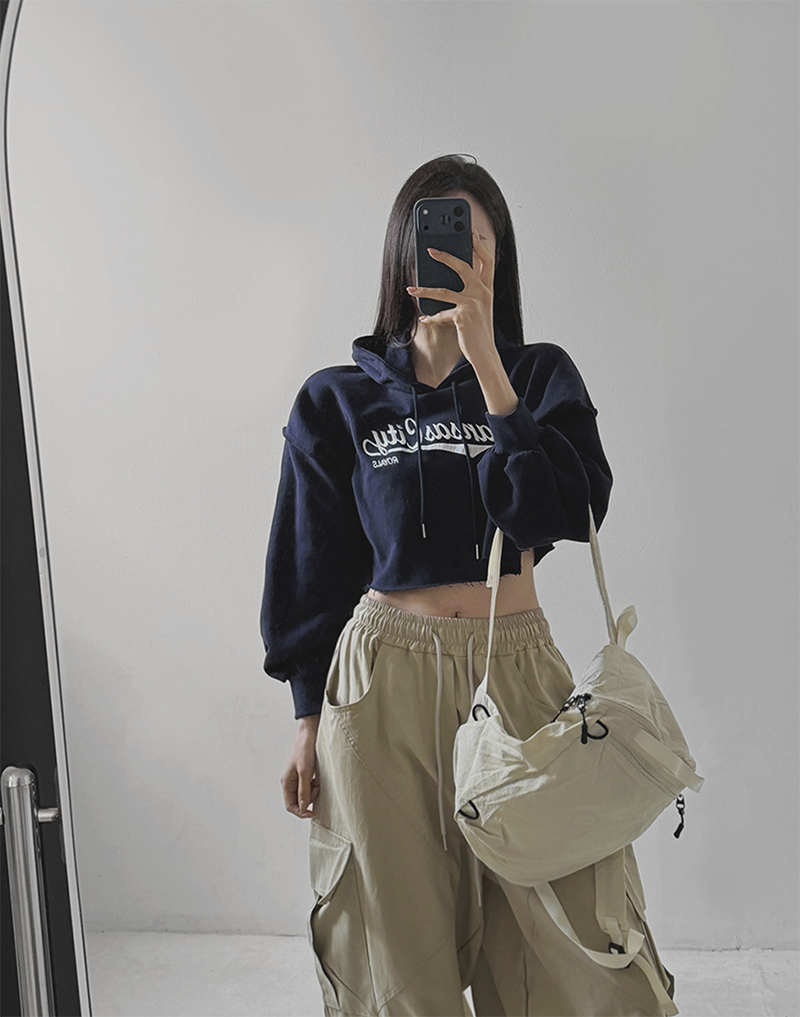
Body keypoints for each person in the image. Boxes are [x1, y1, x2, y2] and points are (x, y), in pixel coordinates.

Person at [260, 154, 676, 1017]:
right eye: (438, 237)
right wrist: (305, 718)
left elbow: (566, 511)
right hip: (381, 686)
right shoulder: (337, 400)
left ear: (498, 261)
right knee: (396, 953)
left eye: (474, 244)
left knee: (571, 946)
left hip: (514, 670)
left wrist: (489, 367)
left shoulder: (540, 376)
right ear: (403, 253)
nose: (455, 258)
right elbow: (311, 563)